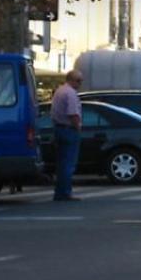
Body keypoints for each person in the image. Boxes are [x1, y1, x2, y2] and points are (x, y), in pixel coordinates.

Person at [51, 70, 83, 201]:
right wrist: (78, 126)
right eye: (79, 81)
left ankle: (59, 192)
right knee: (69, 163)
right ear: (71, 80)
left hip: (59, 128)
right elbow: (72, 114)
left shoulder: (60, 91)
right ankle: (65, 192)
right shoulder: (70, 93)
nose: (80, 84)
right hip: (68, 129)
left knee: (62, 163)